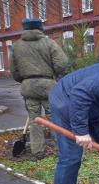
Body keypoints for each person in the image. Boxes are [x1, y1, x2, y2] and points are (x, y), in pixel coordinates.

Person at [9, 18, 68, 160]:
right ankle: (62, 149)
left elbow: (14, 71)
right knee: (53, 117)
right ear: (40, 28)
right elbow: (62, 63)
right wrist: (53, 72)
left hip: (28, 86)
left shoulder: (17, 46)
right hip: (48, 86)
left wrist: (24, 79)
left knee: (34, 120)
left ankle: (38, 152)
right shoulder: (49, 43)